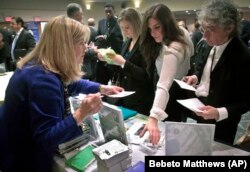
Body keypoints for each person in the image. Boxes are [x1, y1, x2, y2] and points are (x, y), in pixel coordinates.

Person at [0, 15, 123, 172]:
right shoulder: (43, 80)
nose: (85, 48)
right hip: (24, 160)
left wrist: (101, 88)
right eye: (81, 43)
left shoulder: (40, 66)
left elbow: (69, 84)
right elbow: (46, 139)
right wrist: (81, 114)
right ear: (66, 46)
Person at [170, 0, 250, 145]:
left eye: (211, 29)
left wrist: (219, 112)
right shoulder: (209, 44)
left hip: (222, 123)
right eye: (202, 29)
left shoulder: (243, 56)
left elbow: (247, 101)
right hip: (200, 109)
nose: (205, 35)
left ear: (229, 28)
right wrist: (196, 77)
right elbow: (208, 70)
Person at [139, 3, 194, 144]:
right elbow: (192, 53)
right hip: (177, 86)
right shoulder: (182, 32)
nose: (153, 33)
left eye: (157, 27)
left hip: (172, 90)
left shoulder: (172, 48)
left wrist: (153, 118)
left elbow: (164, 84)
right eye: (150, 29)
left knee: (171, 137)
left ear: (167, 23)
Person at [95, 7, 154, 115]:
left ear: (137, 24)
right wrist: (108, 59)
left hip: (141, 98)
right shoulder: (128, 42)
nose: (124, 31)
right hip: (125, 95)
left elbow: (146, 75)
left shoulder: (147, 43)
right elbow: (120, 69)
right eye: (122, 28)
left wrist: (123, 63)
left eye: (127, 27)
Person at [66, 2, 97, 81]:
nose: (82, 16)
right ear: (77, 15)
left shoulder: (65, 27)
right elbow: (72, 49)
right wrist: (91, 50)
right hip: (78, 67)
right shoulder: (74, 29)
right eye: (81, 14)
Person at [95, 3, 123, 85]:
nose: (108, 13)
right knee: (100, 82)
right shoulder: (101, 22)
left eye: (110, 11)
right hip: (103, 57)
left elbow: (122, 39)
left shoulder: (119, 22)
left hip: (114, 56)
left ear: (114, 11)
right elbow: (97, 36)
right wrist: (99, 39)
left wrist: (108, 38)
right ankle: (102, 97)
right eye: (106, 12)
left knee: (115, 83)